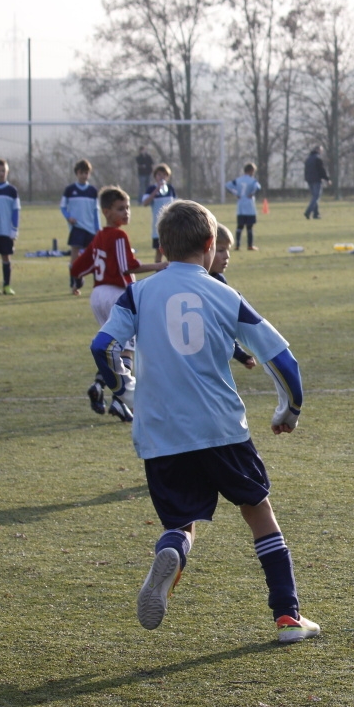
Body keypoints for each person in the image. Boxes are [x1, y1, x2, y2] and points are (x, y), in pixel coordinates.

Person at [89, 199, 319, 643]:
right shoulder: (224, 294)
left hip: (160, 430)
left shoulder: (138, 293)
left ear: (162, 246)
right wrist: (288, 410)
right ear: (211, 244)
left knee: (181, 523)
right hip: (220, 427)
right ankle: (288, 617)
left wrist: (123, 388)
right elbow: (282, 359)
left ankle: (173, 550)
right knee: (258, 511)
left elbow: (103, 346)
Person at [70, 185, 167, 421]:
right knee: (126, 349)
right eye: (120, 208)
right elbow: (127, 267)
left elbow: (77, 267)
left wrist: (78, 281)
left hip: (97, 295)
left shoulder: (99, 237)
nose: (126, 212)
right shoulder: (119, 236)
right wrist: (159, 266)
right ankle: (119, 401)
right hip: (116, 296)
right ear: (106, 212)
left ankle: (98, 384)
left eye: (127, 207)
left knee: (111, 347)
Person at [208, 223, 258, 371]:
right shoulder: (188, 282)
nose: (227, 256)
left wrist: (241, 355)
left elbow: (224, 326)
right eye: (221, 250)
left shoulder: (219, 282)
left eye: (228, 250)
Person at [62, 159, 101, 294]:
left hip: (90, 229)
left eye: (86, 173)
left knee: (95, 257)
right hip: (77, 228)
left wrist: (98, 228)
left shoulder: (92, 191)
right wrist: (68, 217)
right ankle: (74, 284)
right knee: (74, 255)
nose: (84, 175)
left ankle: (98, 285)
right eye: (81, 173)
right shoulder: (70, 190)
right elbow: (63, 207)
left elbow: (96, 211)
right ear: (77, 173)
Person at [140, 163, 177, 264]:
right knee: (159, 251)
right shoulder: (151, 189)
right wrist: (156, 190)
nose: (162, 177)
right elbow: (145, 203)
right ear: (155, 176)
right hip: (158, 226)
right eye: (159, 174)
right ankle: (158, 270)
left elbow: (175, 203)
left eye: (164, 175)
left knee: (172, 251)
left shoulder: (170, 189)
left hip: (171, 225)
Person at [0, 158, 21, 295]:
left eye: (3, 171)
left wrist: (14, 230)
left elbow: (16, 211)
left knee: (6, 257)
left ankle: (6, 286)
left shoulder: (12, 191)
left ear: (7, 172)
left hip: (6, 231)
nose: (1, 173)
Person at [226, 162, 262, 251]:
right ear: (251, 171)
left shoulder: (238, 180)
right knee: (249, 227)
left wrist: (236, 194)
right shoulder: (253, 180)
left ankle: (237, 245)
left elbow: (227, 186)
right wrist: (251, 194)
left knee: (239, 226)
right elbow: (258, 187)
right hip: (249, 207)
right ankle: (250, 245)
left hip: (240, 206)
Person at [303, 145, 328, 220]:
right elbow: (321, 170)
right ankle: (308, 212)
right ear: (318, 150)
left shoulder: (308, 159)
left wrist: (306, 179)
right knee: (316, 197)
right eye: (321, 150)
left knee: (314, 197)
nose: (322, 152)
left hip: (309, 180)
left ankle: (316, 214)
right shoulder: (318, 158)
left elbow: (306, 170)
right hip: (317, 180)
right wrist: (327, 179)